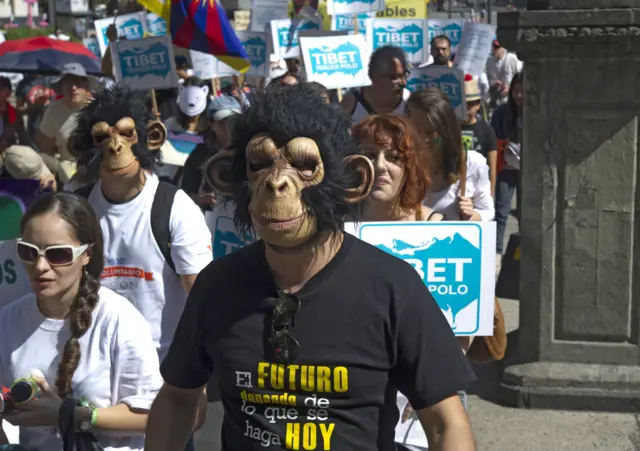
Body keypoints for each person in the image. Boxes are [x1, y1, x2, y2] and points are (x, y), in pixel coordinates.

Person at [144, 84, 477, 451]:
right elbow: (178, 397)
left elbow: (447, 422)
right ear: (233, 177)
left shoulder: (392, 288)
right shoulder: (218, 286)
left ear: (351, 180)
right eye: (261, 164)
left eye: (303, 166)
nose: (277, 182)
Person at [70, 86, 213, 448]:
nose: (116, 146)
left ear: (149, 137)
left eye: (125, 132)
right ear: (89, 147)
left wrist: (197, 386)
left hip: (162, 388)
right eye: (103, 137)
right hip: (90, 384)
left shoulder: (174, 207)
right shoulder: (76, 210)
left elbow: (203, 301)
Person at [0, 192, 162, 450]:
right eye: (29, 252)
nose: (40, 266)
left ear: (87, 254)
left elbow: (154, 416)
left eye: (58, 254)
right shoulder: (7, 321)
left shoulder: (120, 320)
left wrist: (69, 416)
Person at [405, 88, 494, 224]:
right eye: (415, 131)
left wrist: (472, 215)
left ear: (445, 131)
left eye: (430, 132)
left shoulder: (472, 164)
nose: (421, 139)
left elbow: (488, 212)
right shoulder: (401, 166)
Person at [35, 63, 95, 184]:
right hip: (67, 170)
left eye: (78, 82)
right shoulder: (53, 110)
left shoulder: (97, 107)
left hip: (97, 167)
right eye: (68, 82)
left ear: (86, 85)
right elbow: (45, 148)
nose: (73, 87)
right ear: (61, 87)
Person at [180, 94, 242, 210]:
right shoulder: (200, 154)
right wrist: (201, 200)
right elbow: (184, 193)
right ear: (211, 124)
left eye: (234, 120)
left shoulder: (247, 152)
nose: (228, 125)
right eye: (223, 120)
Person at [491, 72, 523, 261]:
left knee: (526, 214)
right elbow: (493, 137)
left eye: (523, 92)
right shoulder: (502, 112)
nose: (519, 96)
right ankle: (496, 253)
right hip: (506, 169)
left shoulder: (536, 110)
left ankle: (524, 252)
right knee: (501, 213)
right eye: (516, 91)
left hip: (529, 171)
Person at [340, 45, 411, 124]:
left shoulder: (409, 102)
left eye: (405, 75)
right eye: (394, 77)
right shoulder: (351, 103)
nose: (403, 83)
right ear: (375, 77)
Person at [460, 75, 498, 196]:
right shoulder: (450, 129)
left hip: (479, 188)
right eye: (463, 103)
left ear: (478, 105)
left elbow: (492, 166)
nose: (466, 108)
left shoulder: (487, 130)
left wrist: (491, 194)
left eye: (470, 104)